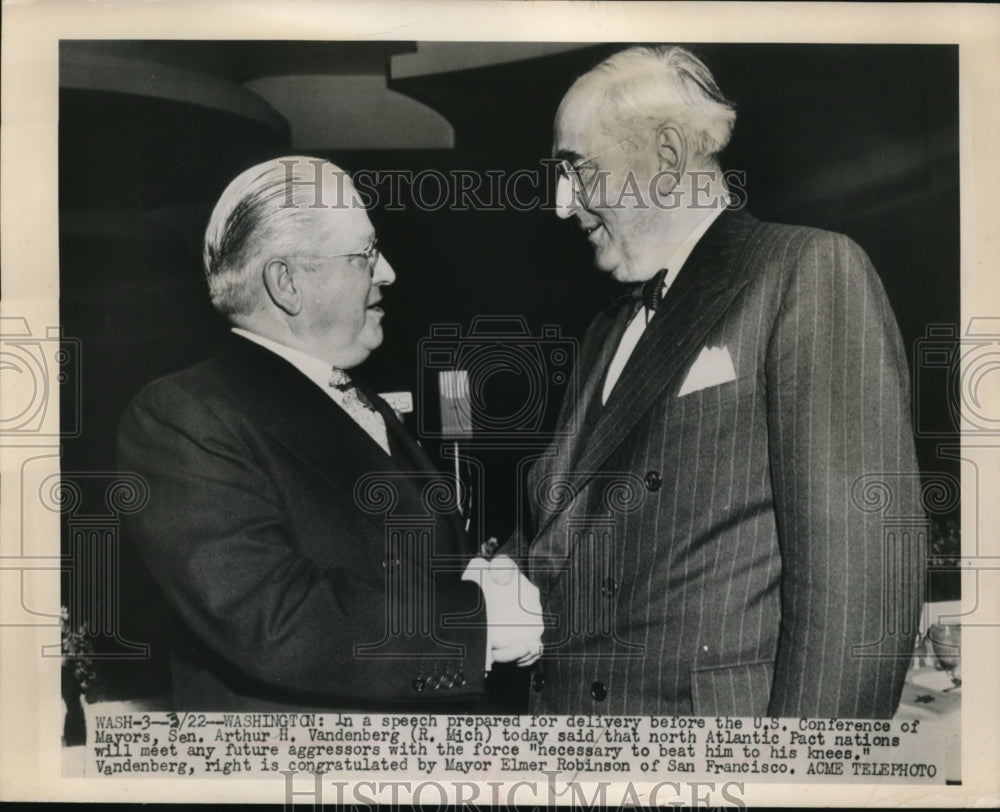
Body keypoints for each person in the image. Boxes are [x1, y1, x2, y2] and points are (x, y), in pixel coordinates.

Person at [516, 46, 923, 717]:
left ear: (669, 152)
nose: (562, 206)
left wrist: (802, 784)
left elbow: (860, 593)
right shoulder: (605, 330)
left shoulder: (805, 272)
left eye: (576, 170)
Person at [118, 157, 541, 711]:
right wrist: (478, 619)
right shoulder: (183, 416)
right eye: (365, 254)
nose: (387, 271)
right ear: (287, 282)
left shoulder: (359, 402)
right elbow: (275, 619)